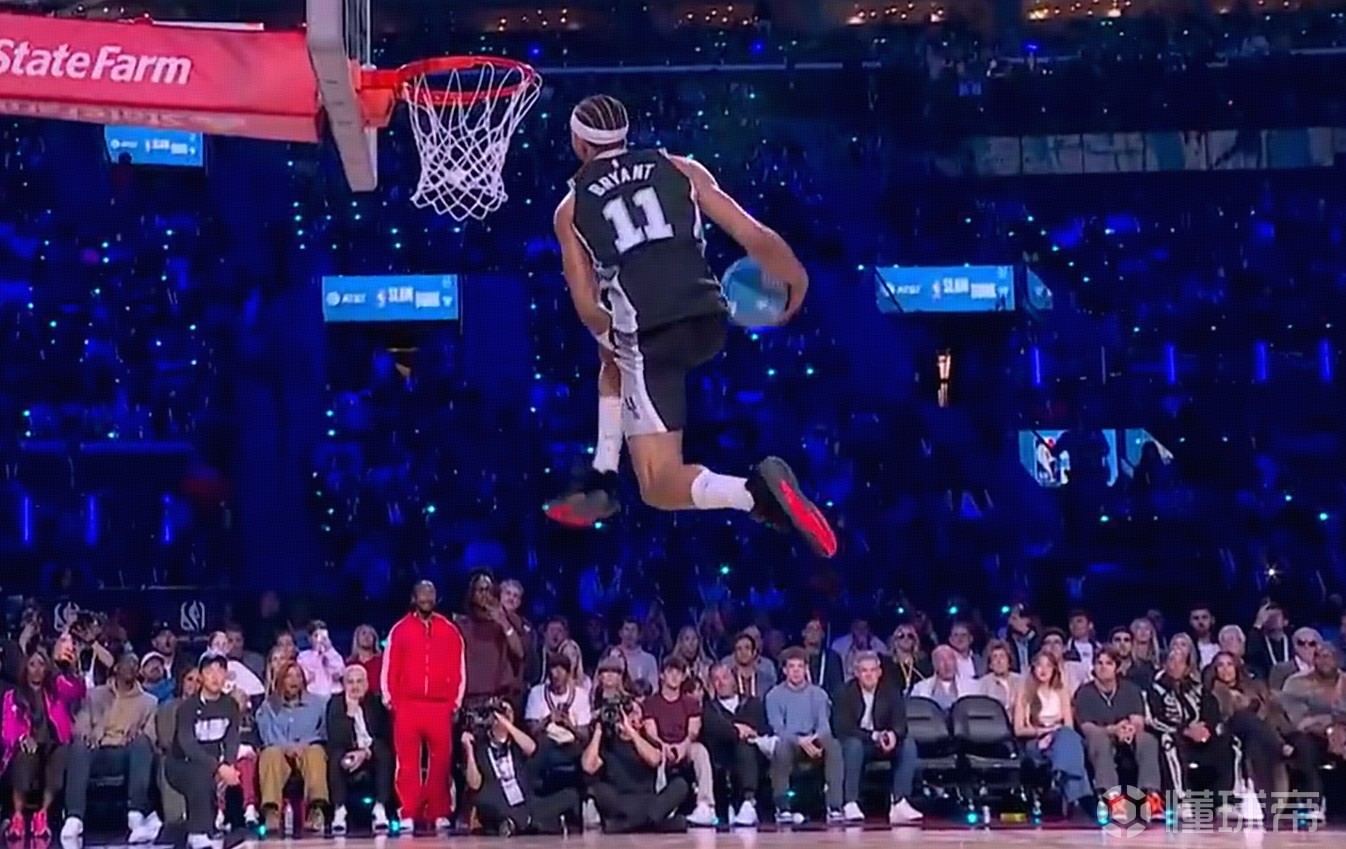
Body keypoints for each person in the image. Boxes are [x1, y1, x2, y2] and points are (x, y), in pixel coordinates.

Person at [543, 93, 836, 559]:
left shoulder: (571, 207)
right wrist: (796, 280)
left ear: (579, 143)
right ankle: (602, 474)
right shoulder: (680, 167)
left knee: (658, 486)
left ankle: (753, 494)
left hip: (651, 333)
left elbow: (586, 304)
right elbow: (753, 235)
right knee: (613, 363)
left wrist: (609, 338)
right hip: (709, 318)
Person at [381, 580, 465, 833]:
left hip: (440, 706)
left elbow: (459, 668)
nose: (427, 597)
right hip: (408, 705)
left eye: (431, 593)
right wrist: (390, 699)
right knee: (408, 763)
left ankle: (438, 811)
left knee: (441, 762)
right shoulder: (400, 630)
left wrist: (455, 702)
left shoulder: (450, 631)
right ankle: (409, 811)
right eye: (422, 593)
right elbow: (389, 666)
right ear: (414, 597)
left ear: (436, 598)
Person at [63, 652, 162, 844]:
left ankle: (136, 813)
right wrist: (88, 733)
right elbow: (80, 724)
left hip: (126, 753)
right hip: (97, 750)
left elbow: (151, 734)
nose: (132, 667)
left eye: (135, 664)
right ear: (116, 668)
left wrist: (139, 734)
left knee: (143, 744)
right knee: (79, 747)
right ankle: (74, 817)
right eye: (127, 663)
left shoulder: (149, 702)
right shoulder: (94, 695)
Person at [160, 653, 253, 849]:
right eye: (210, 672)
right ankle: (197, 833)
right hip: (180, 764)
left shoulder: (230, 705)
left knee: (222, 776)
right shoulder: (187, 708)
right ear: (201, 676)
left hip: (211, 764)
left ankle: (215, 827)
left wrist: (228, 765)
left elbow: (232, 739)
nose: (215, 677)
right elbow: (188, 745)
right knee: (200, 775)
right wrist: (219, 767)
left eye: (220, 671)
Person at [1, 644, 85, 840]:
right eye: (32, 664)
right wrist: (21, 738)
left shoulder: (56, 691)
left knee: (60, 756)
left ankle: (42, 815)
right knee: (25, 756)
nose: (37, 669)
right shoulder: (13, 696)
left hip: (52, 744)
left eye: (41, 664)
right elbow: (7, 728)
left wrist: (73, 669)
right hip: (25, 746)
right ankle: (18, 816)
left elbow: (77, 691)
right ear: (25, 668)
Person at [464, 700, 579, 836]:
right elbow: (474, 784)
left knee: (570, 795)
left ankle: (518, 823)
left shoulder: (517, 742)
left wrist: (507, 725)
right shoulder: (480, 746)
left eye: (508, 713)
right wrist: (469, 751)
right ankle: (531, 823)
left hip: (526, 802)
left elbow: (532, 748)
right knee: (484, 801)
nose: (504, 716)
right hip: (499, 802)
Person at [834, 652, 922, 824]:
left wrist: (893, 735)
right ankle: (850, 802)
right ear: (856, 673)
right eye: (864, 671)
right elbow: (843, 727)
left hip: (884, 742)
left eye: (873, 670)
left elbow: (901, 723)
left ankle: (899, 802)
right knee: (853, 745)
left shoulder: (891, 691)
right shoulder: (844, 692)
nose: (869, 675)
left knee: (908, 745)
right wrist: (874, 736)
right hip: (859, 742)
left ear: (879, 672)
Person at [581, 697, 688, 833]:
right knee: (598, 788)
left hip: (647, 801)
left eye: (635, 713)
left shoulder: (649, 741)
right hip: (620, 801)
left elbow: (654, 760)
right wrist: (598, 730)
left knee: (680, 785)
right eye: (626, 713)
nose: (629, 716)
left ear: (641, 721)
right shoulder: (607, 744)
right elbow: (588, 767)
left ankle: (628, 825)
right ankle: (651, 824)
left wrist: (631, 731)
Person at [765, 648, 844, 824]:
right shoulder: (773, 695)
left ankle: (835, 806)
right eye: (791, 667)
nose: (796, 671)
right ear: (784, 670)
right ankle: (783, 807)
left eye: (800, 666)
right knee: (781, 747)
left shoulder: (819, 694)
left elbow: (824, 725)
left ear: (806, 669)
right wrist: (800, 741)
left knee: (833, 744)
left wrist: (813, 740)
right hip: (790, 741)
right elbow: (778, 728)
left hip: (814, 739)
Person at [1074, 649, 1161, 803]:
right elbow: (1087, 728)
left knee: (1147, 740)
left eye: (1109, 663)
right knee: (1100, 739)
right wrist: (1113, 730)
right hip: (1098, 737)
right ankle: (1111, 796)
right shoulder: (1084, 692)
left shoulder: (1130, 689)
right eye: (1099, 663)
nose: (1103, 667)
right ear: (1093, 666)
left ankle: (1150, 794)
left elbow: (1138, 721)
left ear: (1117, 667)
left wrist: (1130, 729)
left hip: (1127, 735)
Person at [640, 656, 717, 826]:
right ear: (662, 675)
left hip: (685, 745)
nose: (675, 676)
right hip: (659, 747)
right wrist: (664, 746)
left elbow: (693, 731)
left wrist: (683, 746)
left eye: (679, 673)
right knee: (651, 754)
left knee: (700, 751)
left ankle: (705, 805)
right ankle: (660, 807)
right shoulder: (651, 703)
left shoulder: (690, 703)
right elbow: (650, 732)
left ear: (683, 677)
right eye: (670, 672)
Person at [256, 659, 329, 833]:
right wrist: (286, 747)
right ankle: (272, 813)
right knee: (270, 753)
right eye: (289, 676)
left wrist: (303, 744)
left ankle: (316, 810)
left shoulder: (317, 704)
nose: (294, 680)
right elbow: (267, 734)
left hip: (307, 749)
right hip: (280, 752)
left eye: (298, 676)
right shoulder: (269, 706)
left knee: (315, 752)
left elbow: (323, 732)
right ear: (281, 680)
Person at [325, 664, 393, 833]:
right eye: (350, 682)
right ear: (344, 685)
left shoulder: (375, 703)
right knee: (336, 756)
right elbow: (336, 739)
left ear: (367, 684)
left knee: (384, 753)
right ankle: (339, 810)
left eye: (359, 682)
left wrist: (365, 752)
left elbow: (384, 735)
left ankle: (380, 808)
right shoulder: (336, 703)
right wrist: (349, 714)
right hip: (347, 752)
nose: (355, 686)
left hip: (371, 752)